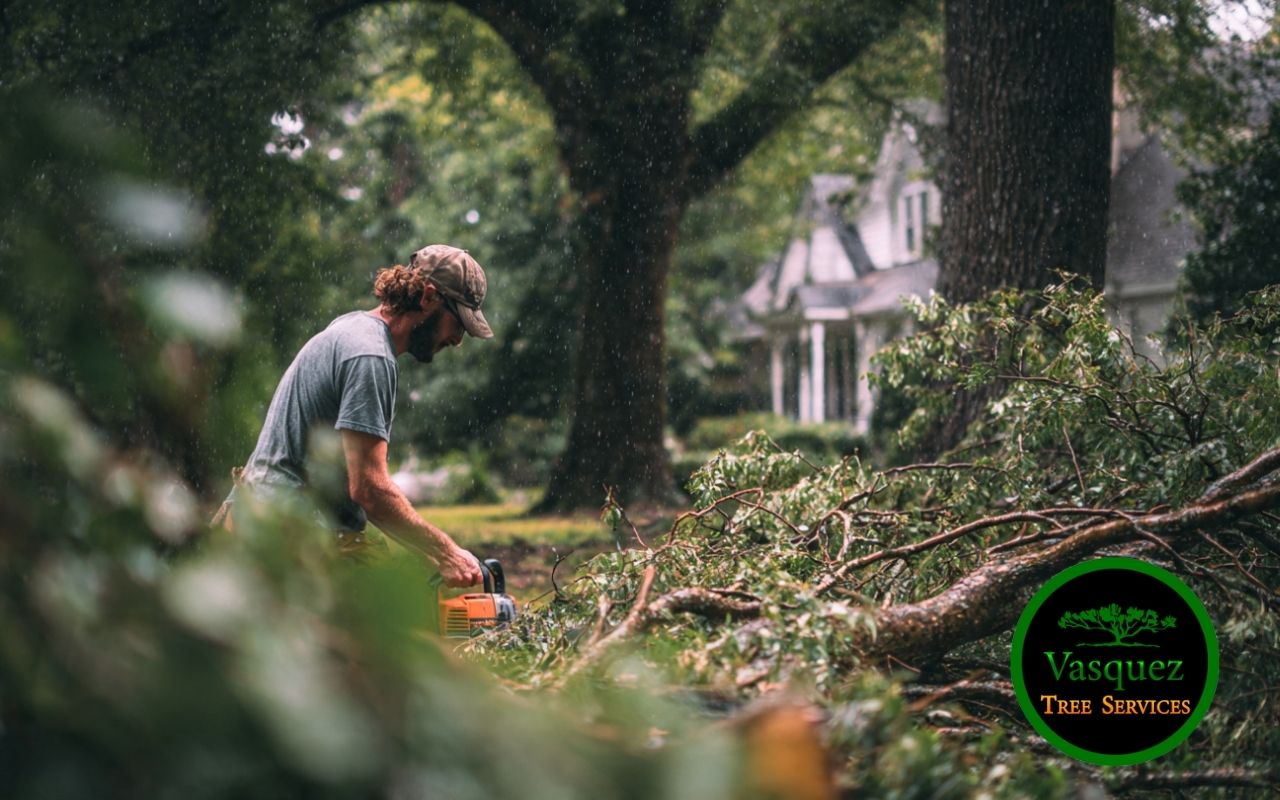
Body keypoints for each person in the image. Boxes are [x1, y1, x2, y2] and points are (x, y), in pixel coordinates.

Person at [217, 244, 491, 587]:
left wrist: (430, 553)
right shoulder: (370, 357)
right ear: (429, 298)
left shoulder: (353, 329)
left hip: (261, 515)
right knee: (392, 610)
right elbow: (369, 489)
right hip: (283, 531)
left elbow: (355, 490)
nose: (457, 339)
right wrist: (447, 552)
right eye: (458, 322)